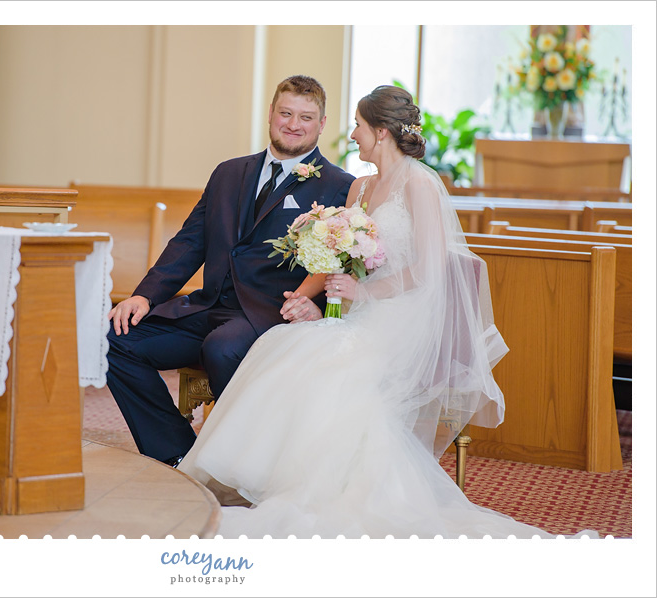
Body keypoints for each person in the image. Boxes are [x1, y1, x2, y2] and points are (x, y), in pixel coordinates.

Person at [178, 85, 599, 539]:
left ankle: (318, 489)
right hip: (359, 311)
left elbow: (430, 268)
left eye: (358, 125)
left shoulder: (420, 184)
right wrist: (314, 300)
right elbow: (337, 253)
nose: (352, 134)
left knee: (328, 370)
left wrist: (363, 294)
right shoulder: (360, 187)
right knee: (283, 345)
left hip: (402, 317)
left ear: (380, 132)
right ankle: (257, 480)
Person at [106, 75, 356, 466]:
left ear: (322, 124)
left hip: (269, 313)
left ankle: (246, 462)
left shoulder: (340, 186)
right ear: (270, 114)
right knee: (114, 339)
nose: (294, 124)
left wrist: (319, 309)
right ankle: (177, 453)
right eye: (286, 113)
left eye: (306, 117)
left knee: (222, 347)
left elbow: (342, 261)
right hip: (207, 307)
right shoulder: (228, 172)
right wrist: (143, 294)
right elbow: (190, 242)